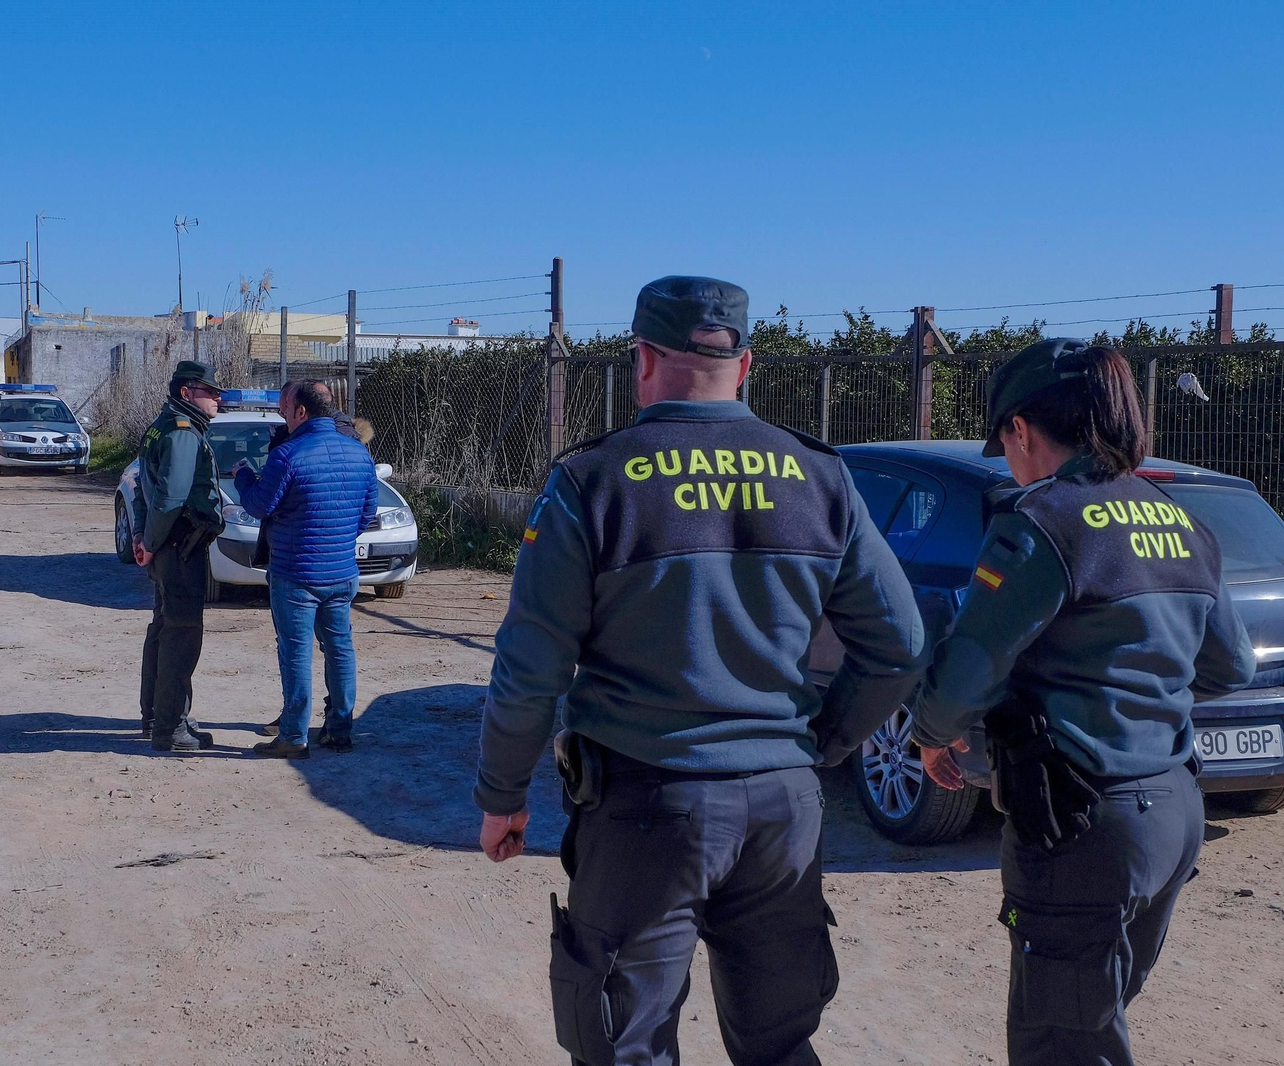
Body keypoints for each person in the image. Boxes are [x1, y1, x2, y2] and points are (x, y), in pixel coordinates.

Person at [474, 276, 924, 1066]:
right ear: (745, 365)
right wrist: (821, 741)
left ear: (643, 358)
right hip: (784, 806)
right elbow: (901, 643)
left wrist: (502, 794)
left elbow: (530, 665)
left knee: (627, 1042)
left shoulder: (593, 480)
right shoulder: (819, 477)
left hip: (651, 801)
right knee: (781, 1044)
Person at [912, 339, 1255, 1066]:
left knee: (1063, 1044)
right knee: (1095, 1020)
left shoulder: (1043, 522)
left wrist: (932, 732)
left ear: (1020, 430)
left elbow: (972, 662)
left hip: (1083, 819)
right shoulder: (1182, 522)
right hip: (1173, 809)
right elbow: (1230, 667)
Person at [235, 379, 379, 758]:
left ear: (300, 411)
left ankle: (294, 736)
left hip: (295, 573)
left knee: (296, 653)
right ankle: (340, 730)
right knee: (339, 648)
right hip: (342, 572)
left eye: (285, 406)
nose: (282, 412)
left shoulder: (288, 455)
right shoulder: (358, 453)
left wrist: (243, 476)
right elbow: (366, 513)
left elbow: (259, 506)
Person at [131, 360, 227, 753]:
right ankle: (170, 727)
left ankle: (157, 715)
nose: (218, 398)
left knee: (162, 629)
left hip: (164, 546)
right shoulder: (184, 433)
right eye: (210, 391)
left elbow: (141, 486)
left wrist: (142, 537)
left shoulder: (162, 426)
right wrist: (151, 542)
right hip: (180, 547)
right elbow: (170, 497)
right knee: (181, 636)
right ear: (186, 393)